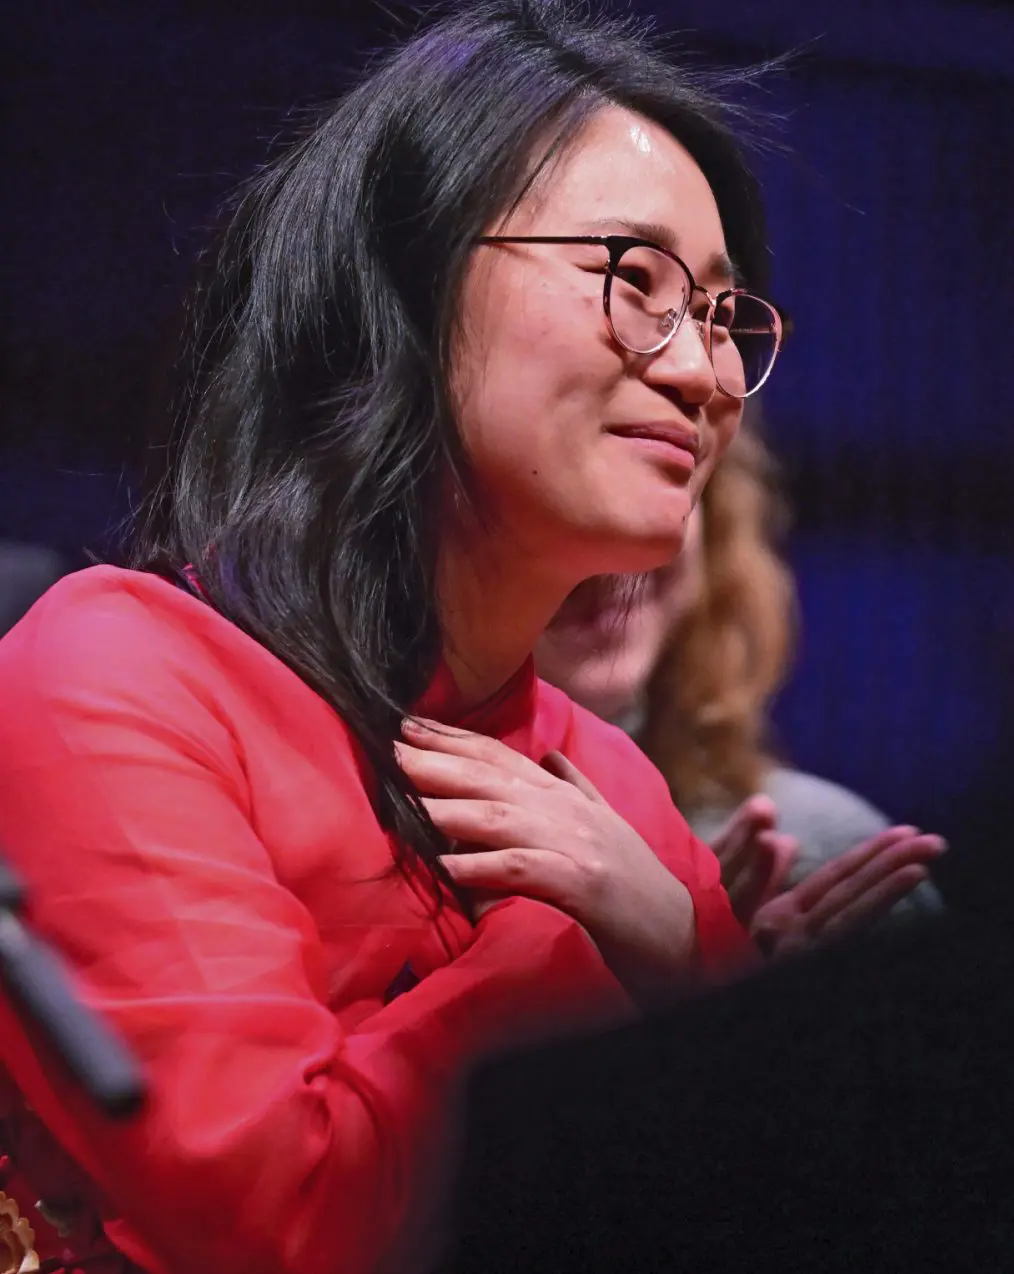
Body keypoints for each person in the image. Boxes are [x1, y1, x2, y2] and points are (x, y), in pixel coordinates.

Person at [0, 4, 942, 1273]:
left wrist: (680, 943)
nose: (707, 372)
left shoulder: (611, 794)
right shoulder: (118, 676)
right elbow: (285, 1222)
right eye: (635, 281)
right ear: (413, 279)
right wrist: (589, 945)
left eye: (722, 314)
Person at [535, 420, 945, 946]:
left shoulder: (815, 858)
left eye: (662, 478)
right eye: (552, 497)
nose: (616, 552)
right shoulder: (399, 857)